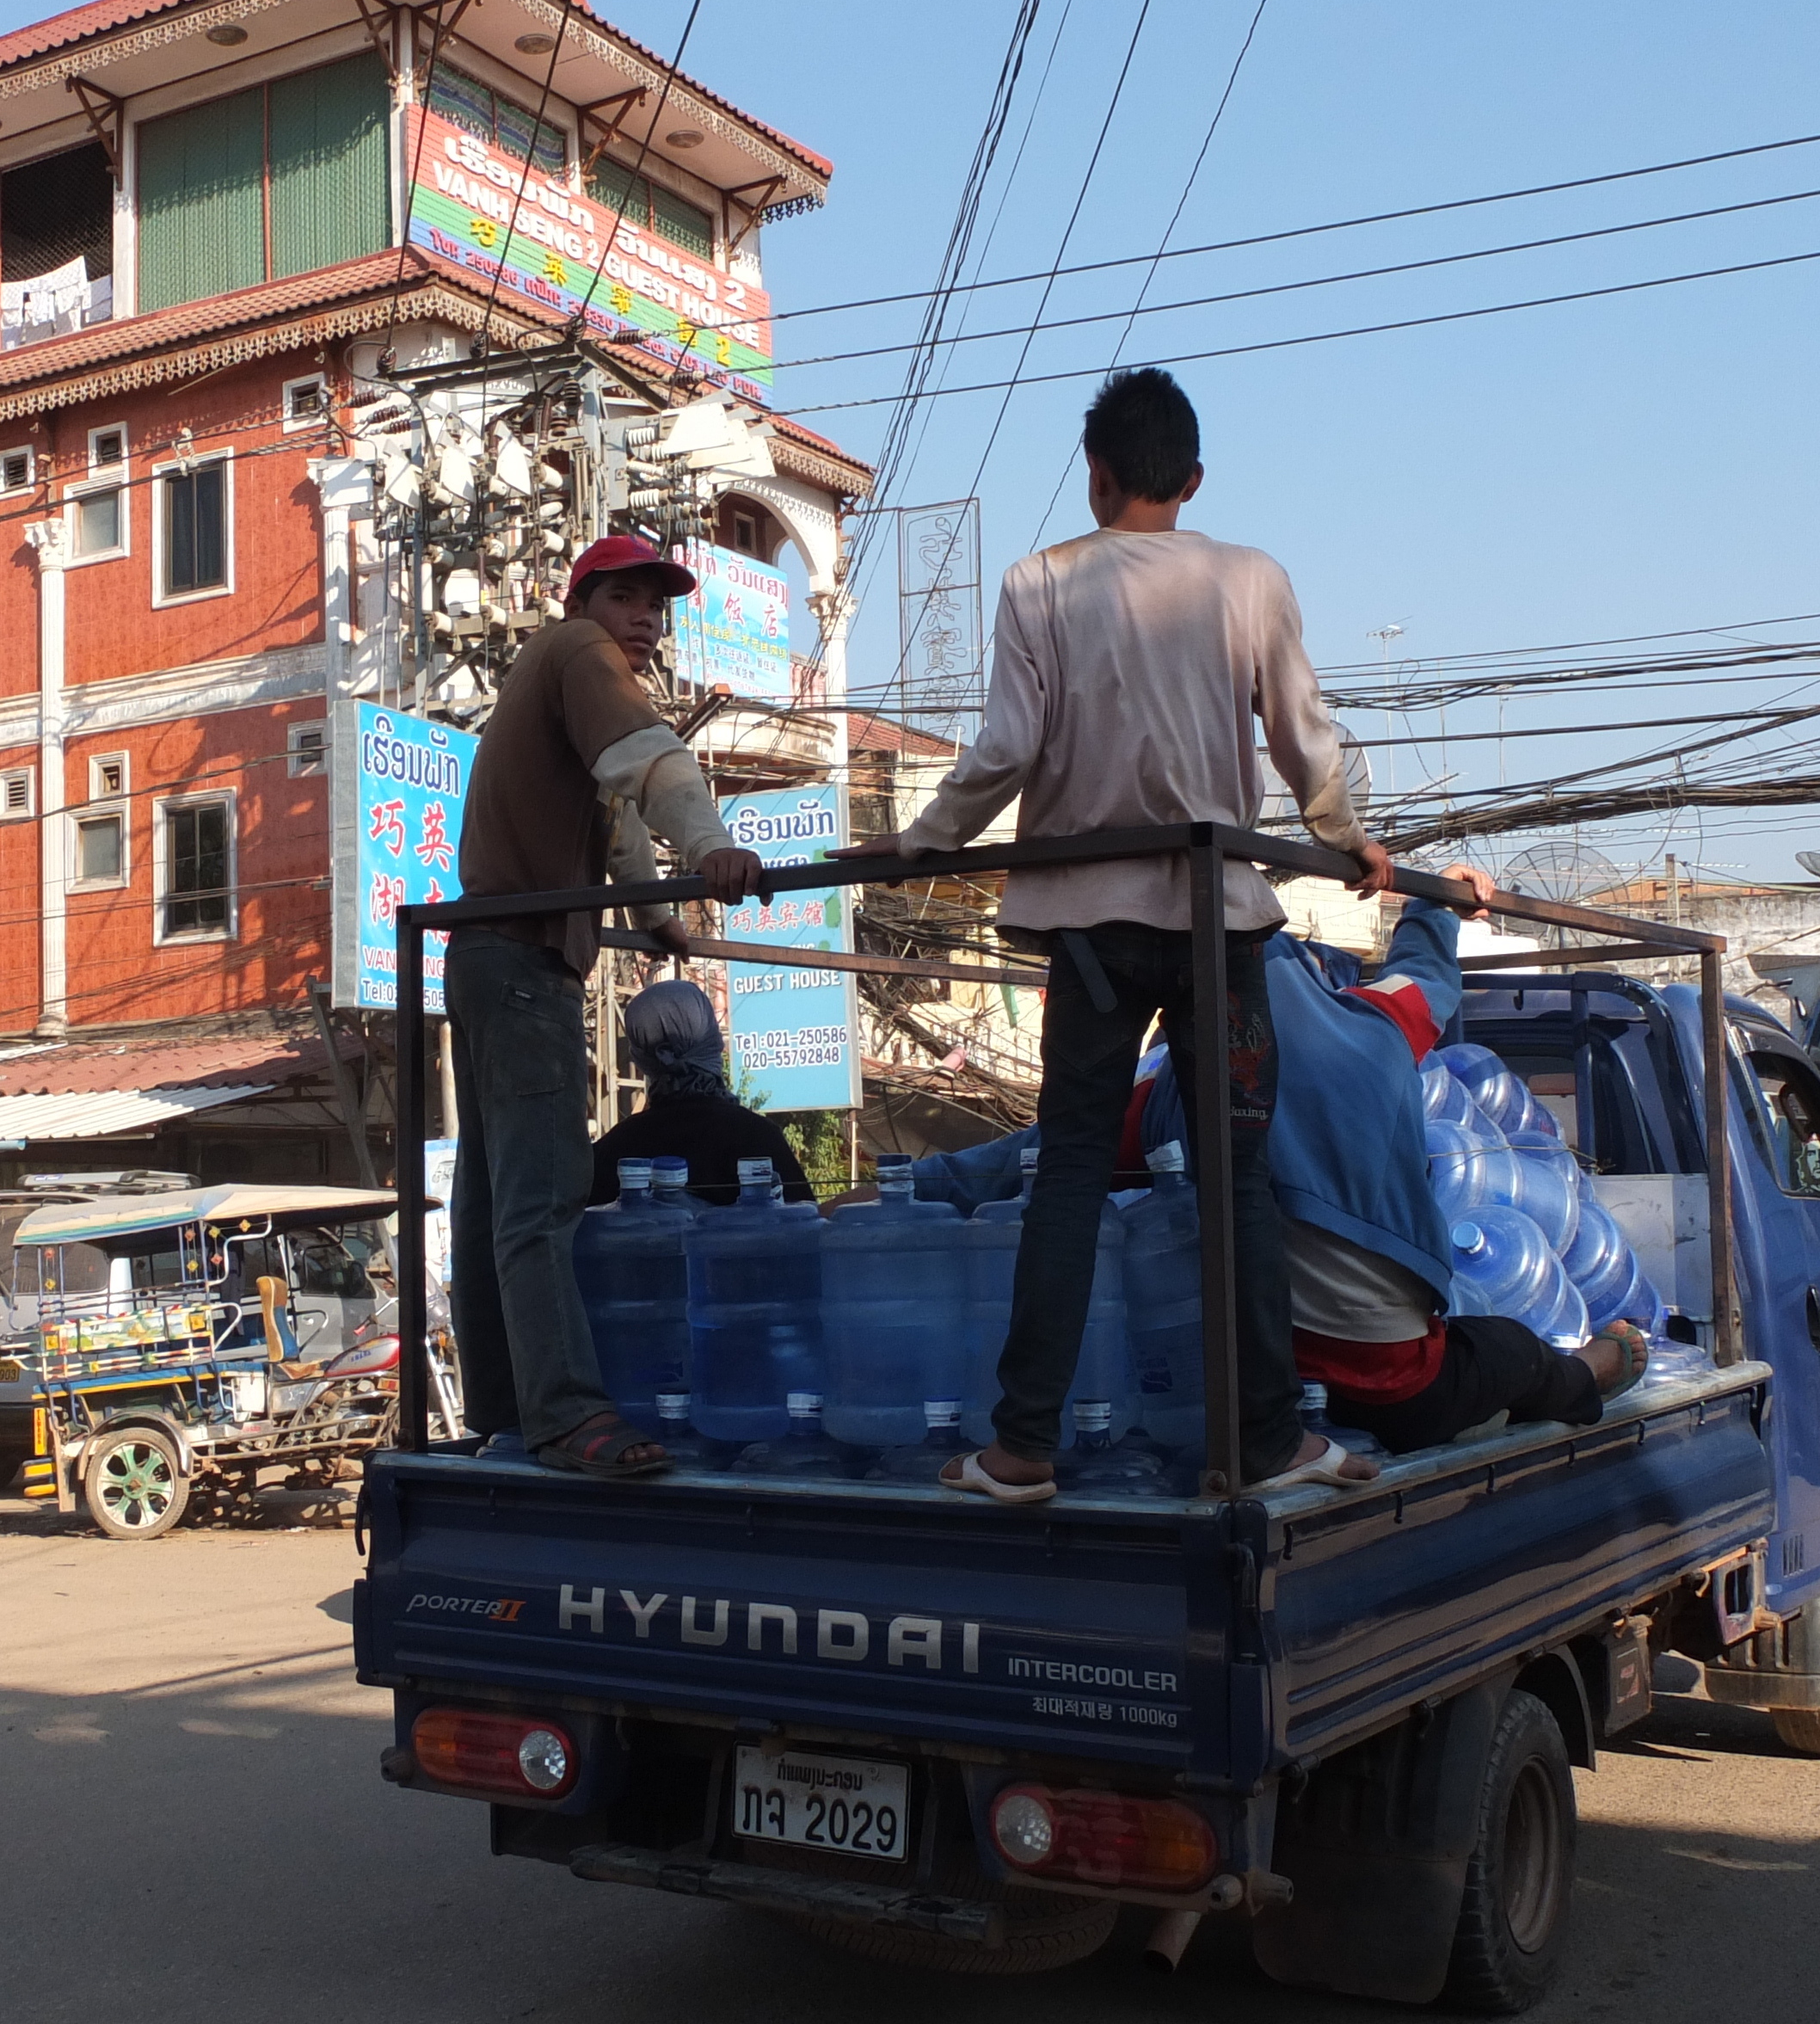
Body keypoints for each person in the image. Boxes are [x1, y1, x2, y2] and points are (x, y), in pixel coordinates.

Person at [848, 366, 1387, 1504]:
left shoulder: (1038, 584)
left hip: (1088, 931)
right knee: (1237, 1179)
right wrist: (1351, 838)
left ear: (1095, 476)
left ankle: (1024, 1447)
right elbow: (1306, 744)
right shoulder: (1251, 581)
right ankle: (1265, 1442)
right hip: (1218, 927)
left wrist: (925, 841)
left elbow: (1002, 752)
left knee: (1072, 1174)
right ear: (1191, 480)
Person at [916, 864, 1645, 1453]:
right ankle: (1592, 1369)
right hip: (1385, 1380)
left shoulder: (1167, 1096)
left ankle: (1573, 1372)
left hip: (1226, 1378)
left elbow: (1028, 1160)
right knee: (1509, 1351)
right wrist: (1435, 904)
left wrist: (903, 1185)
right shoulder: (1376, 1029)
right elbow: (1427, 972)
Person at [452, 533, 765, 1478]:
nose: (643, 620)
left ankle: (509, 1406)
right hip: (519, 961)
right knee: (542, 1196)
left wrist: (659, 919)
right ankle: (565, 1418)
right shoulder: (576, 653)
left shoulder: (555, 679)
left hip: (489, 958)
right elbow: (651, 763)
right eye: (625, 598)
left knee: (495, 1198)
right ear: (585, 601)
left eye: (654, 606)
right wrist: (713, 843)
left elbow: (620, 825)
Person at [587, 979, 812, 1208]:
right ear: (713, 1042)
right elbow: (806, 1230)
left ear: (642, 1060)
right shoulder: (759, 1139)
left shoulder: (613, 1151)